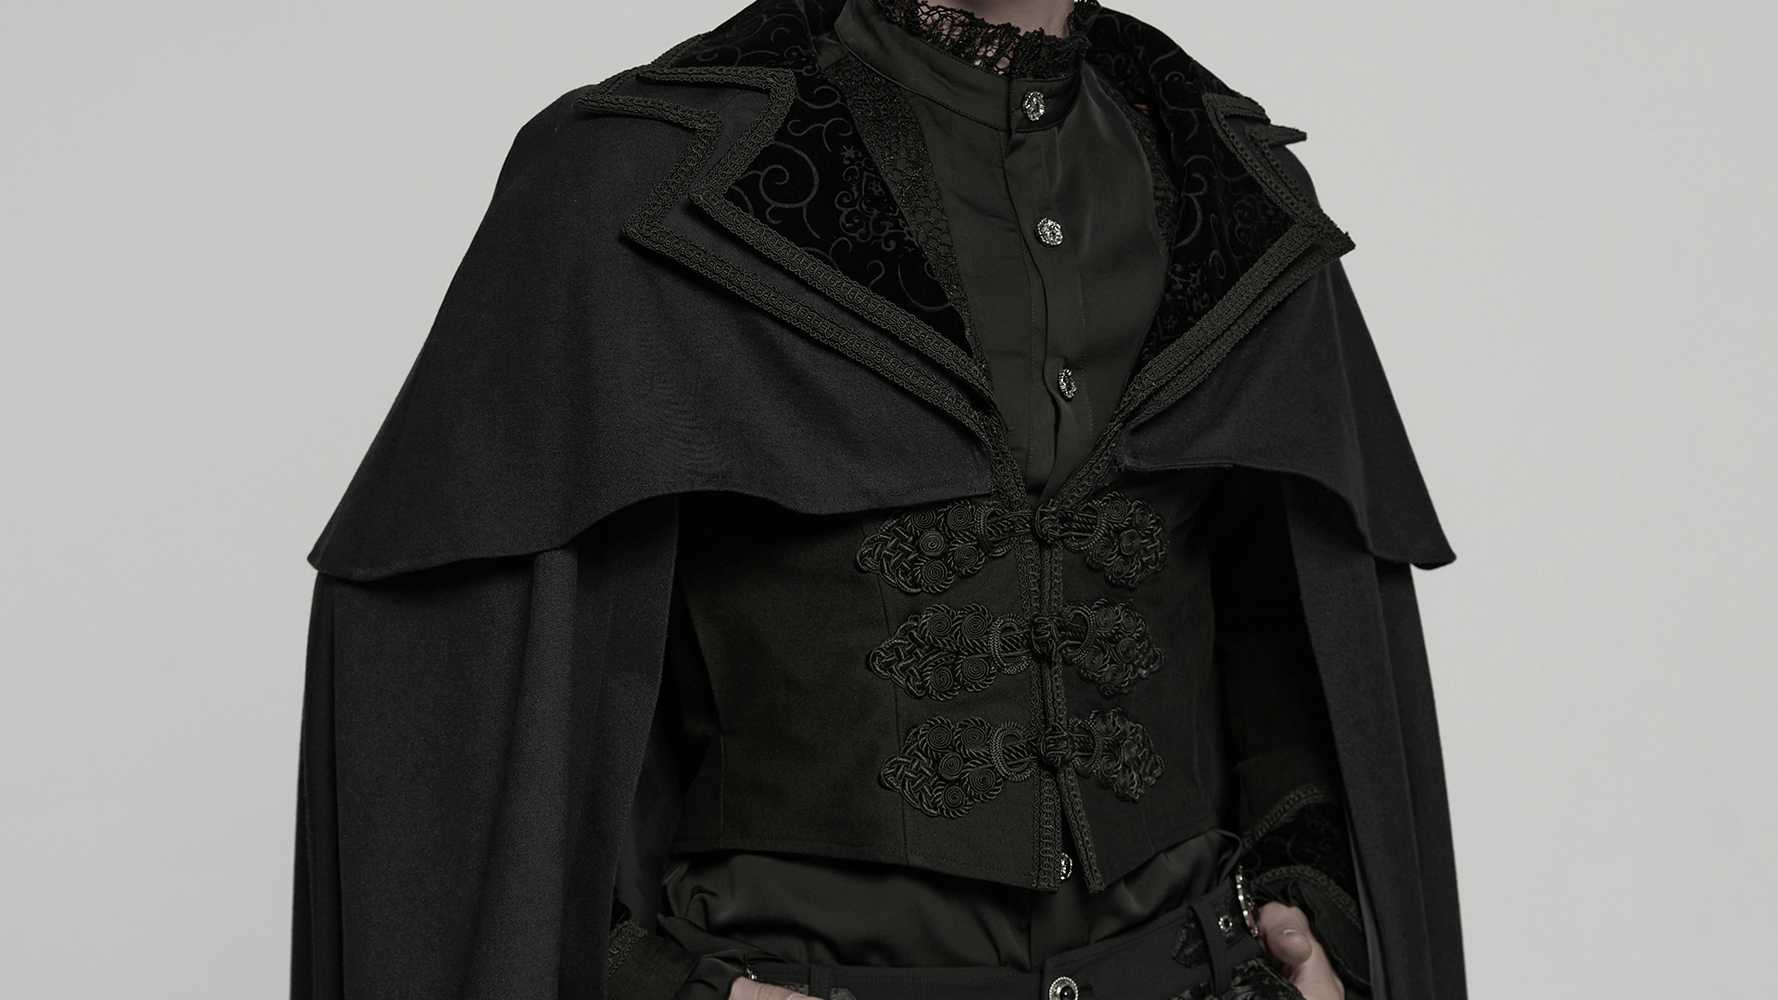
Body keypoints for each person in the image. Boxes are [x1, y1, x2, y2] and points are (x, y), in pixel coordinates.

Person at [290, 2, 1464, 999]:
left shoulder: (1228, 183)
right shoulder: (647, 175)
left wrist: (1308, 892)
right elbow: (448, 699)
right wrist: (660, 985)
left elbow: (1297, 623)